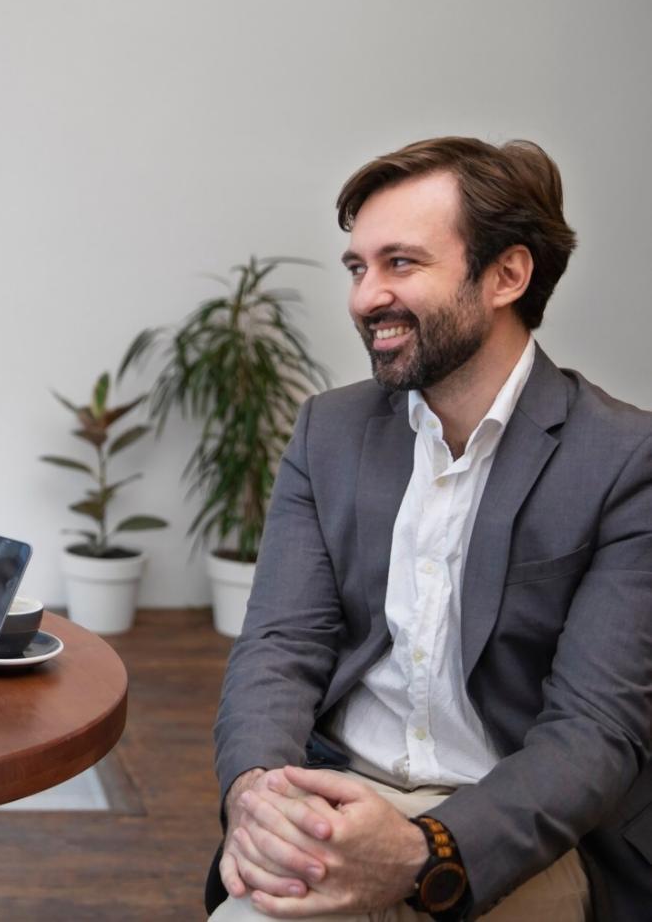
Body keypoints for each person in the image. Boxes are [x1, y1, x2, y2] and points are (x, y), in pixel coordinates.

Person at [206, 137, 652, 921]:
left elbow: (594, 732)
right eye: (357, 267)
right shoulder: (329, 432)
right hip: (337, 791)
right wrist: (257, 793)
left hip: (514, 829)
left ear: (507, 275)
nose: (365, 296)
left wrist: (424, 849)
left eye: (401, 263)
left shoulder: (623, 461)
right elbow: (281, 645)